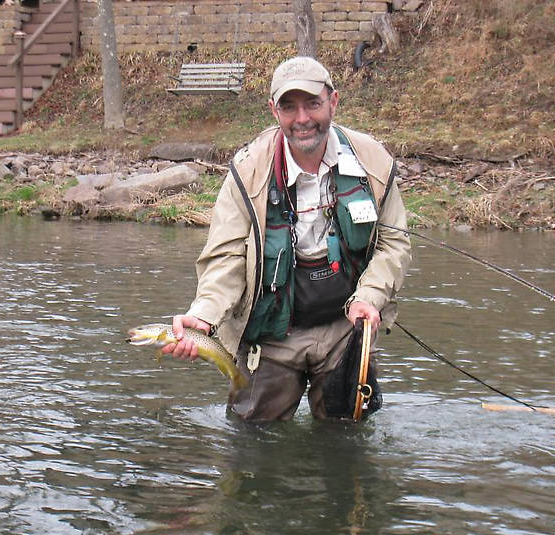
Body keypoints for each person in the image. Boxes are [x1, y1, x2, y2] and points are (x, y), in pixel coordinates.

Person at [163, 56, 411, 421]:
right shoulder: (247, 172)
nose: (302, 119)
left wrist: (370, 299)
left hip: (346, 327)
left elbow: (394, 243)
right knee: (252, 444)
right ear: (272, 110)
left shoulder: (372, 161)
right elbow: (225, 255)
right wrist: (204, 315)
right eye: (288, 107)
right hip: (271, 333)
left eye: (313, 103)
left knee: (346, 442)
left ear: (334, 101)